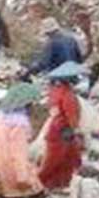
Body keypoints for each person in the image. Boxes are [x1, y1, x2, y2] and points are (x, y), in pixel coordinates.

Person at [36, 62, 87, 190]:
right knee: (55, 160)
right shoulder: (68, 95)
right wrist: (76, 130)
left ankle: (60, 183)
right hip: (63, 131)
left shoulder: (55, 91)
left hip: (56, 129)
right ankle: (39, 183)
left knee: (67, 158)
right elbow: (72, 116)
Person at [0, 83, 43, 198]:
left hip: (0, 172)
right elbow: (19, 154)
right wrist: (24, 178)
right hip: (15, 176)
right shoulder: (19, 125)